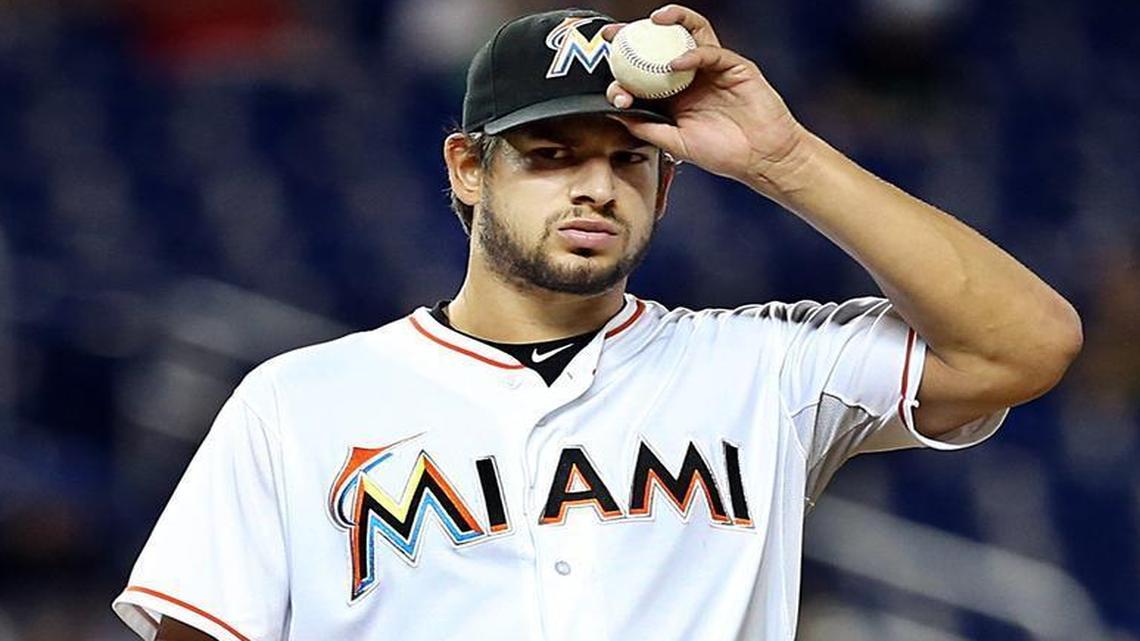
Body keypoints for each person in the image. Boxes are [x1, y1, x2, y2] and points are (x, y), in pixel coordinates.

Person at [112, 6, 1082, 641]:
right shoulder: (299, 399)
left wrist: (783, 157)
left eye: (629, 159)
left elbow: (1026, 343)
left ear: (668, 185)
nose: (594, 186)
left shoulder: (765, 368)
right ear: (466, 167)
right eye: (550, 152)